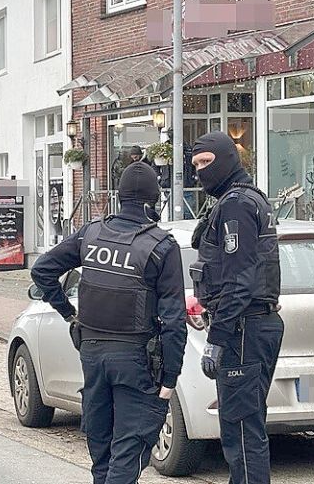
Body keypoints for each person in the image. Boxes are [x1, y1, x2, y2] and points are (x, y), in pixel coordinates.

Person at [31, 162, 187, 484]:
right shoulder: (161, 246)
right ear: (153, 199)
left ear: (119, 196)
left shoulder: (92, 233)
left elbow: (42, 270)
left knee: (102, 457)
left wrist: (69, 313)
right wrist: (169, 378)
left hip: (92, 356)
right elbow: (174, 319)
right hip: (136, 360)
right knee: (128, 455)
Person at [189, 132, 282, 484]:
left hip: (245, 326)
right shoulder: (248, 198)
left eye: (207, 163)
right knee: (243, 425)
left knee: (241, 432)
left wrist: (218, 336)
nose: (200, 172)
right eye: (195, 165)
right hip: (255, 323)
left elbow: (239, 281)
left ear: (227, 159)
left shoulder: (236, 206)